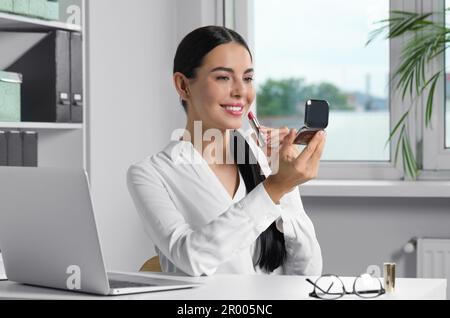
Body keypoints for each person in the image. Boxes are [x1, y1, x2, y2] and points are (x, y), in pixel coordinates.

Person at [127, 26, 326, 276]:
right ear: (183, 85)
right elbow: (192, 258)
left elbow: (307, 272)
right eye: (223, 77)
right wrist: (274, 187)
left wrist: (286, 186)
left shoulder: (263, 157)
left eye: (248, 78)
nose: (241, 91)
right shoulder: (150, 174)